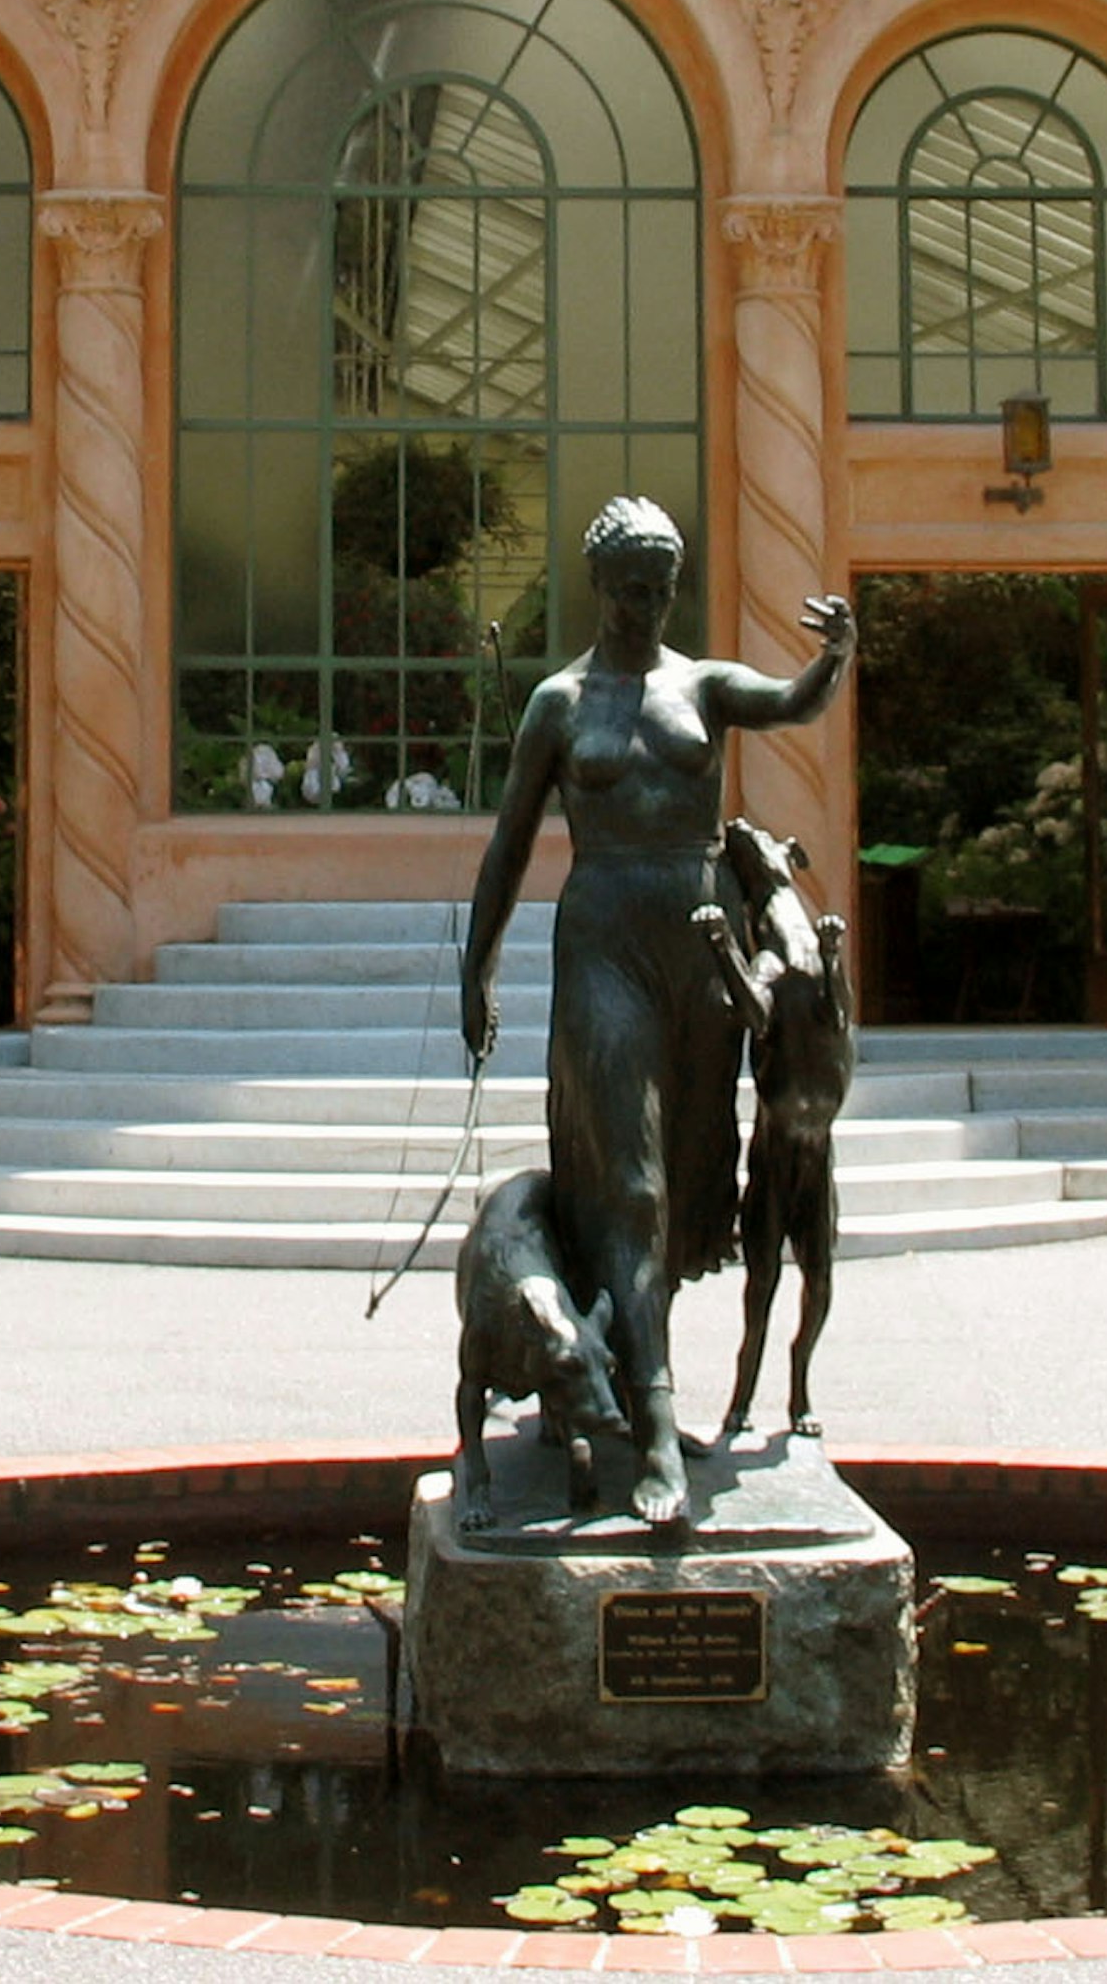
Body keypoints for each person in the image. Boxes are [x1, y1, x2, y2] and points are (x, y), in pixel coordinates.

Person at [458, 496, 852, 1524]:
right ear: (598, 585)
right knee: (628, 1178)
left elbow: (793, 702)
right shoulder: (558, 702)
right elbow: (507, 844)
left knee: (681, 1173)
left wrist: (835, 656)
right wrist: (477, 966)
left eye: (660, 585)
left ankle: (628, 1369)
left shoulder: (704, 685)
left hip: (697, 939)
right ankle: (660, 1426)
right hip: (603, 938)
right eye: (629, 585)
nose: (644, 602)